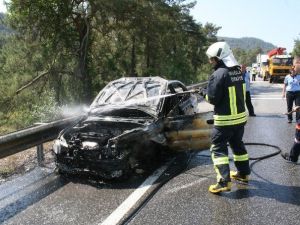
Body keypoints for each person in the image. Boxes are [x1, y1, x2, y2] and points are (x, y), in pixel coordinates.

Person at [204, 41, 250, 194]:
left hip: (225, 121)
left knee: (217, 148)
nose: (211, 62)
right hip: (239, 120)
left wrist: (203, 93)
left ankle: (223, 182)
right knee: (237, 145)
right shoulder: (237, 72)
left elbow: (212, 99)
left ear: (219, 57)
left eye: (212, 59)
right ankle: (243, 174)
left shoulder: (218, 74)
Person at [282, 56, 300, 123]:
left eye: (294, 70)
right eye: (292, 71)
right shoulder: (287, 77)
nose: (293, 71)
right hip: (289, 93)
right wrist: (283, 93)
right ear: (290, 71)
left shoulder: (299, 76)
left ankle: (298, 119)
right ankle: (290, 119)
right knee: (289, 106)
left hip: (298, 93)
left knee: (298, 107)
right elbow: (284, 85)